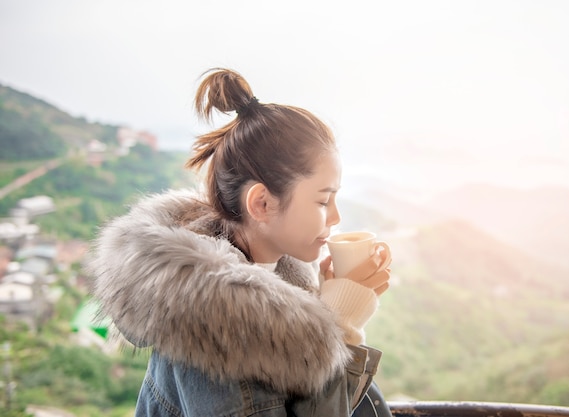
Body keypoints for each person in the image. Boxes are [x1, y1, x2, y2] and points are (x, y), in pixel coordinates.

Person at [86, 68, 393, 417]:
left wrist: (324, 315)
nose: (335, 217)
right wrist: (341, 328)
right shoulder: (216, 329)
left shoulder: (253, 301)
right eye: (323, 201)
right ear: (261, 203)